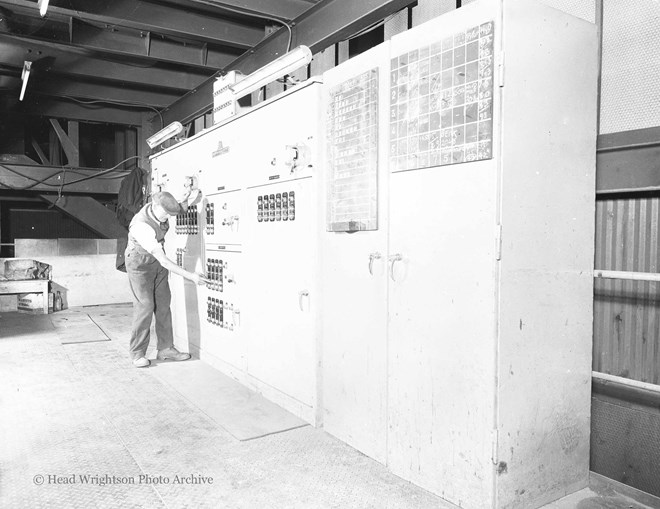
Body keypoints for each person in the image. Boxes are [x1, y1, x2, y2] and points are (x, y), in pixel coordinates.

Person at [125, 191, 207, 368]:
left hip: (156, 262)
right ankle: (137, 352)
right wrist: (191, 276)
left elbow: (178, 209)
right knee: (145, 306)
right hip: (139, 264)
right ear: (155, 206)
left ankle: (165, 349)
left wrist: (188, 195)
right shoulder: (142, 226)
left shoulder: (164, 210)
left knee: (163, 304)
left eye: (169, 215)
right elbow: (164, 261)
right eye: (165, 214)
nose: (167, 218)